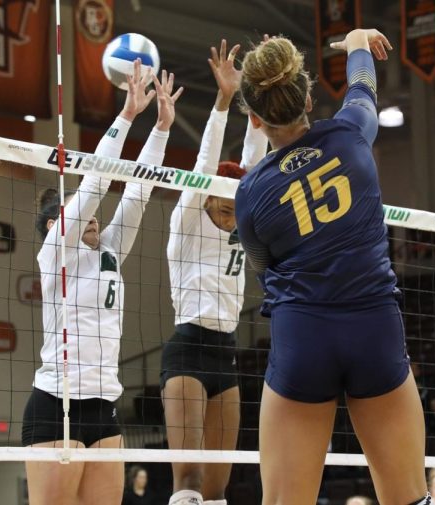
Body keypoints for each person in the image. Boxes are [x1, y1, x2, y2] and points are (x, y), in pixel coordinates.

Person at [234, 30, 430, 505]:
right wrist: (358, 42)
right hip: (373, 328)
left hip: (305, 336)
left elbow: (263, 268)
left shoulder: (251, 194)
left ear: (256, 120)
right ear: (308, 95)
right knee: (409, 499)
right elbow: (363, 87)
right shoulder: (351, 134)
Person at [22, 60, 183, 505]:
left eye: (89, 211)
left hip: (104, 408)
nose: (91, 214)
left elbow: (138, 191)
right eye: (78, 209)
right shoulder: (55, 253)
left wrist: (162, 128)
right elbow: (95, 183)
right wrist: (128, 115)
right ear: (58, 222)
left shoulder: (109, 250)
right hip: (57, 405)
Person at [162, 39, 267, 505]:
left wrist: (258, 97)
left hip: (226, 353)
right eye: (223, 207)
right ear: (206, 197)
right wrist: (224, 99)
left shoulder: (244, 223)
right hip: (186, 350)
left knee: (220, 489)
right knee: (187, 483)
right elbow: (206, 163)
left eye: (234, 210)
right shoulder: (186, 221)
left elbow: (256, 158)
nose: (230, 217)